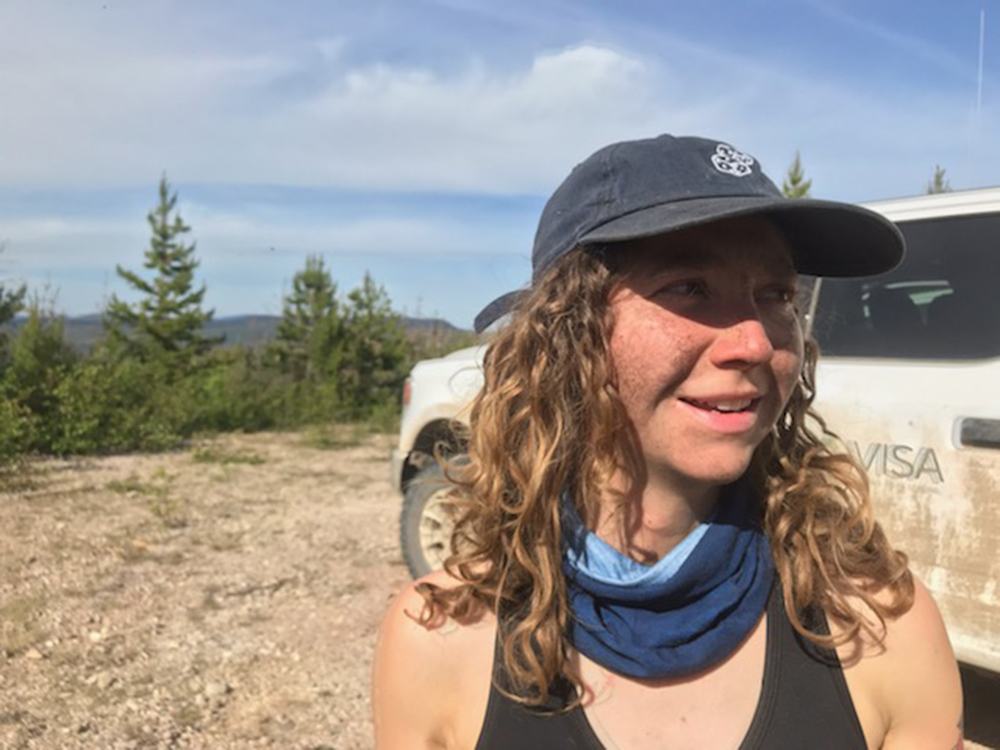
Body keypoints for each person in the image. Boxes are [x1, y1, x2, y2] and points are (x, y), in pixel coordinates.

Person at [372, 135, 963, 749]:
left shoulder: (878, 630)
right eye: (688, 287)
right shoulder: (441, 641)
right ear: (567, 337)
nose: (756, 344)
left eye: (777, 294)